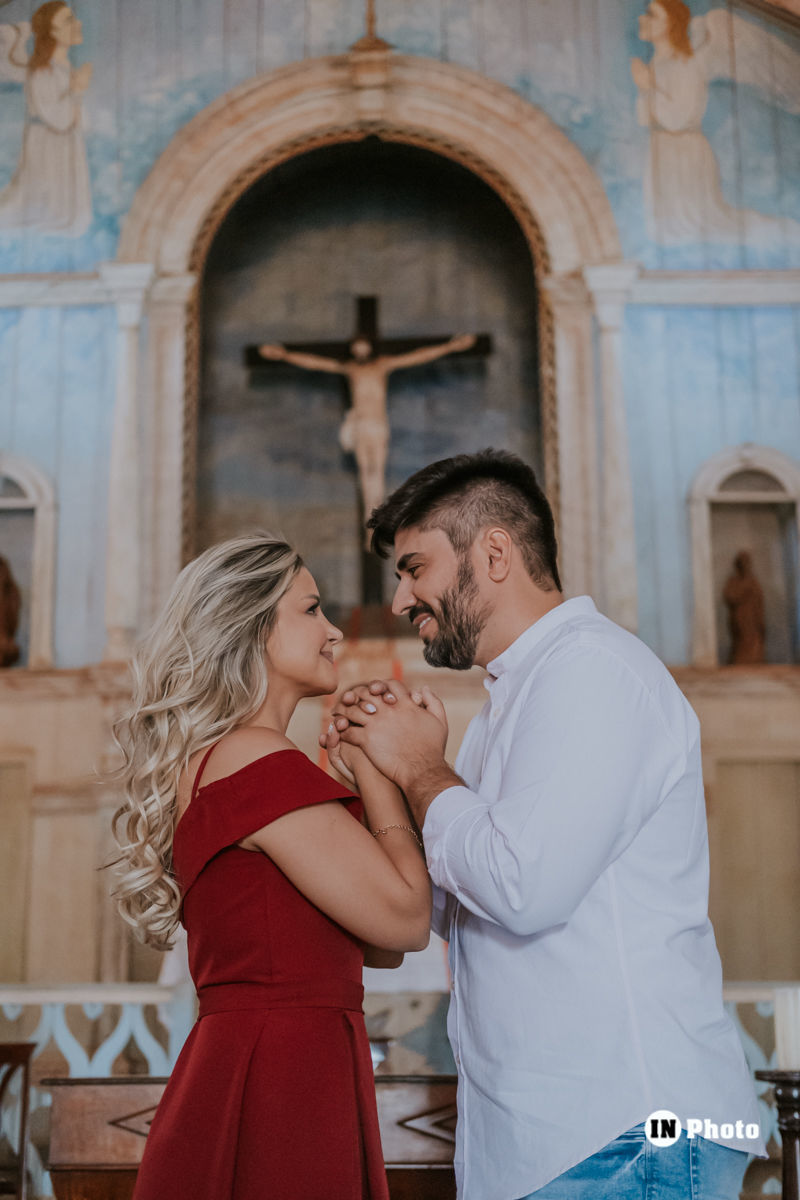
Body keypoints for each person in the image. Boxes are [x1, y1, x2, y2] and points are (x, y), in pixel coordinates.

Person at [322, 449, 765, 1200]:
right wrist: (382, 775)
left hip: (629, 1135)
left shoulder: (594, 672)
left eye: (415, 569)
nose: (399, 601)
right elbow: (456, 905)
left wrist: (422, 769)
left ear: (494, 553)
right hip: (564, 1141)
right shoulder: (513, 703)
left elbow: (521, 887)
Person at [111, 532, 431, 1200]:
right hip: (282, 1074)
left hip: (275, 1057)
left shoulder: (233, 760)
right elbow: (406, 920)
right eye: (311, 610)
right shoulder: (255, 759)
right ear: (253, 628)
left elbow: (381, 946)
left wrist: (364, 767)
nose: (334, 630)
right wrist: (391, 770)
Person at [258, 333, 476, 527]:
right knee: (365, 472)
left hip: (377, 424)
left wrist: (450, 347)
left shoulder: (382, 364)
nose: (360, 350)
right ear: (352, 349)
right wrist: (284, 355)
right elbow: (316, 363)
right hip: (361, 425)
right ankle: (369, 520)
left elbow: (417, 357)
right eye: (356, 346)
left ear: (370, 346)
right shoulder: (350, 368)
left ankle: (378, 517)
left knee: (377, 472)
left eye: (363, 345)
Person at [0, 2, 92, 237]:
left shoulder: (64, 68)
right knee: (39, 210)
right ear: (52, 32)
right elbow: (58, 119)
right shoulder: (42, 72)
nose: (77, 24)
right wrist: (77, 90)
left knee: (69, 216)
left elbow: (80, 121)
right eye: (68, 20)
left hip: (66, 146)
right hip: (47, 148)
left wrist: (76, 89)